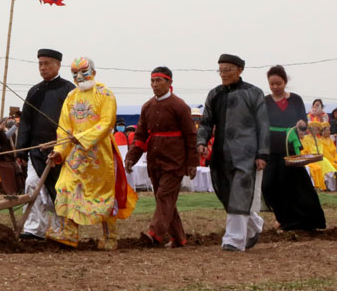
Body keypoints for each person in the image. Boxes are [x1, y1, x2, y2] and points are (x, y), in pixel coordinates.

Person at [47, 56, 137, 249]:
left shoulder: (105, 94)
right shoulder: (71, 98)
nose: (79, 77)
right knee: (65, 186)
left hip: (100, 155)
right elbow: (64, 128)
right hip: (75, 156)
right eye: (75, 73)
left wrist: (83, 137)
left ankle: (109, 237)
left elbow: (107, 123)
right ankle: (69, 233)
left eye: (83, 72)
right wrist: (59, 151)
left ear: (93, 73)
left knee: (104, 194)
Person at [196, 54, 269, 252]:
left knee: (239, 193)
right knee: (229, 195)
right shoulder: (214, 94)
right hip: (220, 153)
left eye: (227, 70)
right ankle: (254, 226)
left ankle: (233, 240)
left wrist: (263, 154)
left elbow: (263, 125)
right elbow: (206, 122)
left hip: (247, 153)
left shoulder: (254, 93)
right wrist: (202, 141)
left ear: (239, 70)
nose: (223, 74)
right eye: (220, 70)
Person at [125, 67, 198, 247]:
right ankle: (179, 238)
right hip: (154, 160)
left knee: (164, 195)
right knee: (165, 200)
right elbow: (140, 136)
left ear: (170, 83)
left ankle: (154, 233)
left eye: (159, 81)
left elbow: (191, 136)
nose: (155, 85)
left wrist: (192, 163)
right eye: (152, 81)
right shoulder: (147, 107)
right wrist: (131, 158)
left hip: (175, 160)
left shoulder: (180, 106)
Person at [17, 48, 76, 241]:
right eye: (40, 63)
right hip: (35, 150)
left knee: (59, 189)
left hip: (62, 150)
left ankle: (61, 229)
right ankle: (34, 229)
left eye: (47, 63)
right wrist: (20, 150)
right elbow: (25, 122)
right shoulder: (34, 91)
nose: (43, 67)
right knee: (32, 185)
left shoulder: (70, 90)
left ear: (58, 65)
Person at [261, 65, 326, 231]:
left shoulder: (295, 99)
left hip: (290, 147)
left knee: (291, 183)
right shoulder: (265, 101)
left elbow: (303, 123)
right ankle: (282, 217)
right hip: (271, 147)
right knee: (268, 185)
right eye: (272, 84)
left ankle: (302, 220)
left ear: (285, 82)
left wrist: (301, 125)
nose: (275, 87)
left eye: (278, 83)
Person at [301, 121, 337, 191]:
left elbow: (321, 151)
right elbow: (305, 150)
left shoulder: (319, 140)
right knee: (324, 161)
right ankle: (334, 172)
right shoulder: (306, 138)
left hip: (318, 158)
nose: (315, 131)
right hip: (310, 158)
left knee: (323, 160)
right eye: (313, 129)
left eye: (317, 130)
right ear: (310, 130)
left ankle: (332, 175)